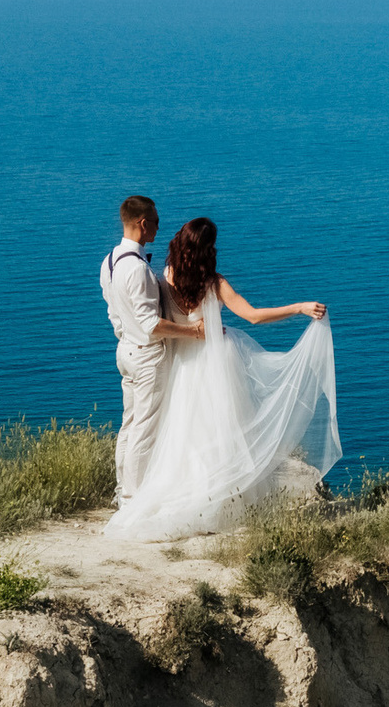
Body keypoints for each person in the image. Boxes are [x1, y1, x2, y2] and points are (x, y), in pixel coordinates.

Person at [104, 216, 339, 539]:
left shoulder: (164, 278)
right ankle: (220, 498)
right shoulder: (214, 283)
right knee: (221, 430)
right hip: (216, 362)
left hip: (181, 364)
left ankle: (151, 493)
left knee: (183, 432)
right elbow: (254, 317)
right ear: (208, 250)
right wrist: (299, 307)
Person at [99, 195, 206, 506]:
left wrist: (126, 335)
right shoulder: (139, 270)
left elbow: (114, 313)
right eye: (156, 222)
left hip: (125, 351)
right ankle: (134, 500)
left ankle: (123, 491)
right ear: (143, 223)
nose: (159, 228)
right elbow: (151, 325)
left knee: (130, 424)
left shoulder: (109, 262)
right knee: (145, 430)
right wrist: (194, 332)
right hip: (147, 356)